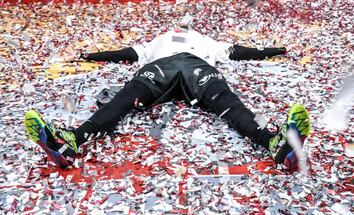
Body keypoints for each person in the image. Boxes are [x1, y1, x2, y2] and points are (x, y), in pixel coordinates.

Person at [24, 25, 311, 171]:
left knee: (225, 100)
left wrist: (272, 51)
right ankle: (71, 141)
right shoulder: (158, 41)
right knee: (128, 96)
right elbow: (127, 54)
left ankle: (276, 145)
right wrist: (92, 55)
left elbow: (237, 50)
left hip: (192, 64)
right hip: (166, 66)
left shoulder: (204, 40)